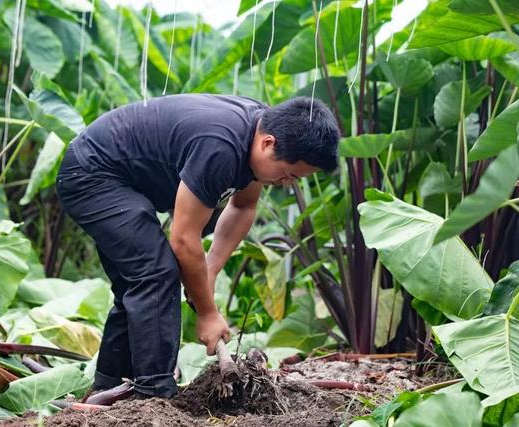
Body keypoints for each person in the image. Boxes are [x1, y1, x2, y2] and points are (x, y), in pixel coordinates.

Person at [55, 94, 339, 398]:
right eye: (289, 174)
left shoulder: (259, 134)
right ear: (268, 143)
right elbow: (183, 240)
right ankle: (153, 395)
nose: (287, 183)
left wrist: (210, 272)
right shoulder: (221, 147)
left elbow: (243, 207)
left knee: (137, 281)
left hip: (123, 181)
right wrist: (207, 313)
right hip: (91, 174)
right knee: (155, 271)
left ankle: (110, 384)